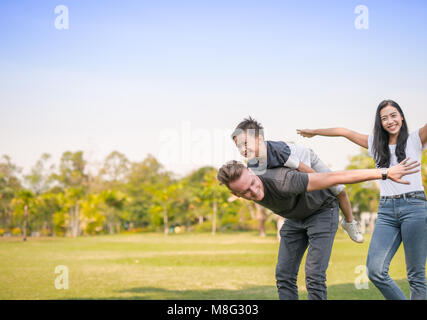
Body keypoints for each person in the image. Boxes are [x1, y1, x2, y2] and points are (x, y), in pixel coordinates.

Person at [217, 157, 419, 300]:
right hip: (294, 219)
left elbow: (338, 178)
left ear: (252, 172)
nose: (254, 192)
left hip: (322, 211)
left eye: (253, 183)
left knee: (314, 274)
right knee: (284, 274)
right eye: (245, 192)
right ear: (236, 194)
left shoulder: (284, 181)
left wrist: (384, 172)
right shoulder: (245, 185)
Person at [297, 99, 427, 300]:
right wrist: (315, 131)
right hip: (386, 211)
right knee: (375, 270)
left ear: (401, 116)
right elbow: (343, 131)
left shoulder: (415, 139)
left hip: (415, 207)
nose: (390, 121)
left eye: (394, 115)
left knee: (416, 275)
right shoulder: (374, 144)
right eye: (384, 118)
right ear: (380, 123)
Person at [231, 116, 364, 243]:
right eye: (239, 146)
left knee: (339, 189)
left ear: (259, 139)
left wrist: (326, 188)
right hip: (295, 174)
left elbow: (305, 169)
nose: (243, 149)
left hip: (307, 161)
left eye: (246, 143)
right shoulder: (252, 166)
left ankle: (349, 222)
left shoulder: (278, 151)